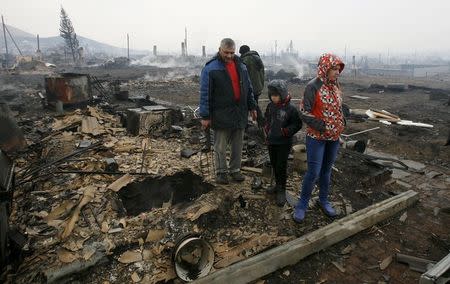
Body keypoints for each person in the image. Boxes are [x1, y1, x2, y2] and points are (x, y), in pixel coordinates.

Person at [293, 53, 345, 222]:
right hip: (317, 137)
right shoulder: (313, 86)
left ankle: (323, 200)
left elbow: (338, 106)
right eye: (334, 69)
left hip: (334, 137)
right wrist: (321, 126)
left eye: (338, 69)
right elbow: (304, 112)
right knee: (313, 172)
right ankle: (302, 204)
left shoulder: (335, 86)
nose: (337, 72)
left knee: (326, 170)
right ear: (325, 68)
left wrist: (342, 119)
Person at [199, 38, 258, 184]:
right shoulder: (211, 68)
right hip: (220, 113)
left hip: (239, 112)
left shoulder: (241, 66)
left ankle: (235, 170)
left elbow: (248, 88)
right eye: (226, 52)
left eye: (232, 53)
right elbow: (205, 93)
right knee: (220, 145)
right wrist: (205, 115)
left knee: (238, 144)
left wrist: (252, 106)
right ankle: (221, 172)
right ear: (220, 49)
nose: (229, 56)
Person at [264, 80, 302, 206]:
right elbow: (267, 118)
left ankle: (281, 189)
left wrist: (286, 131)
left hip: (283, 143)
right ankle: (277, 185)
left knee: (281, 165)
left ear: (283, 94)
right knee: (274, 164)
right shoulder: (270, 106)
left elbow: (297, 124)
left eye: (276, 95)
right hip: (272, 141)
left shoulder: (291, 109)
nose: (273, 98)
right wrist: (267, 129)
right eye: (271, 95)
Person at [239, 45, 265, 126]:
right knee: (254, 104)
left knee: (247, 106)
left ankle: (258, 123)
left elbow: (242, 75)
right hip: (258, 87)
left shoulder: (245, 60)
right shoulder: (257, 57)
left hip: (250, 88)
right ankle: (261, 124)